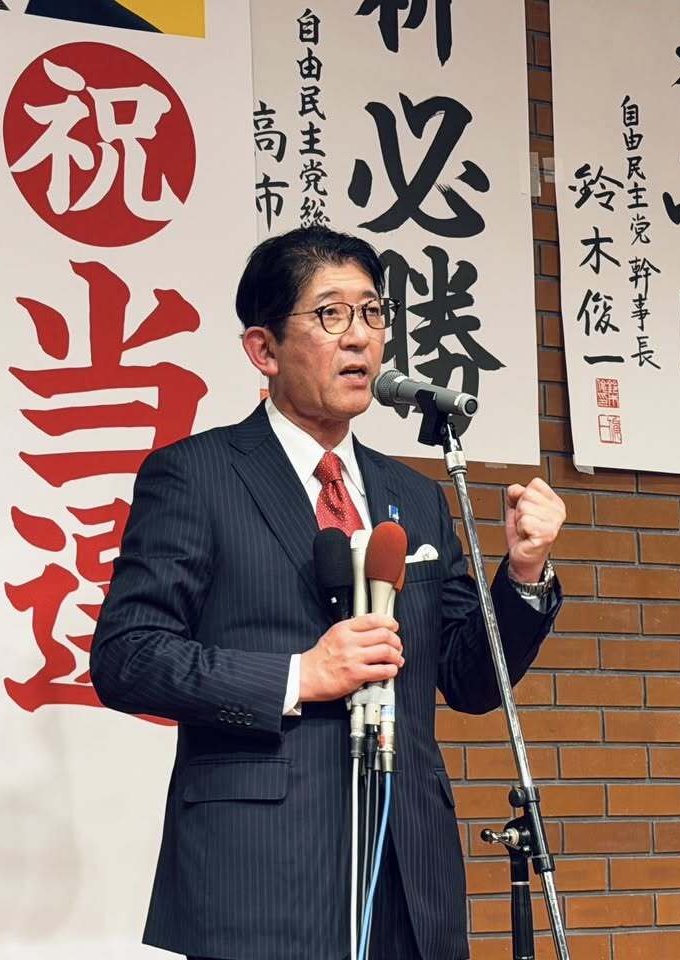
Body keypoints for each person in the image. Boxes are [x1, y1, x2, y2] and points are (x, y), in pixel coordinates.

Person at [92, 226, 566, 960]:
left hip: (409, 876)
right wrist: (298, 675)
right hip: (262, 876)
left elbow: (471, 679)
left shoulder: (416, 494)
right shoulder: (196, 475)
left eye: (373, 313)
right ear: (264, 349)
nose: (360, 338)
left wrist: (525, 571)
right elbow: (128, 657)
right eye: (330, 314)